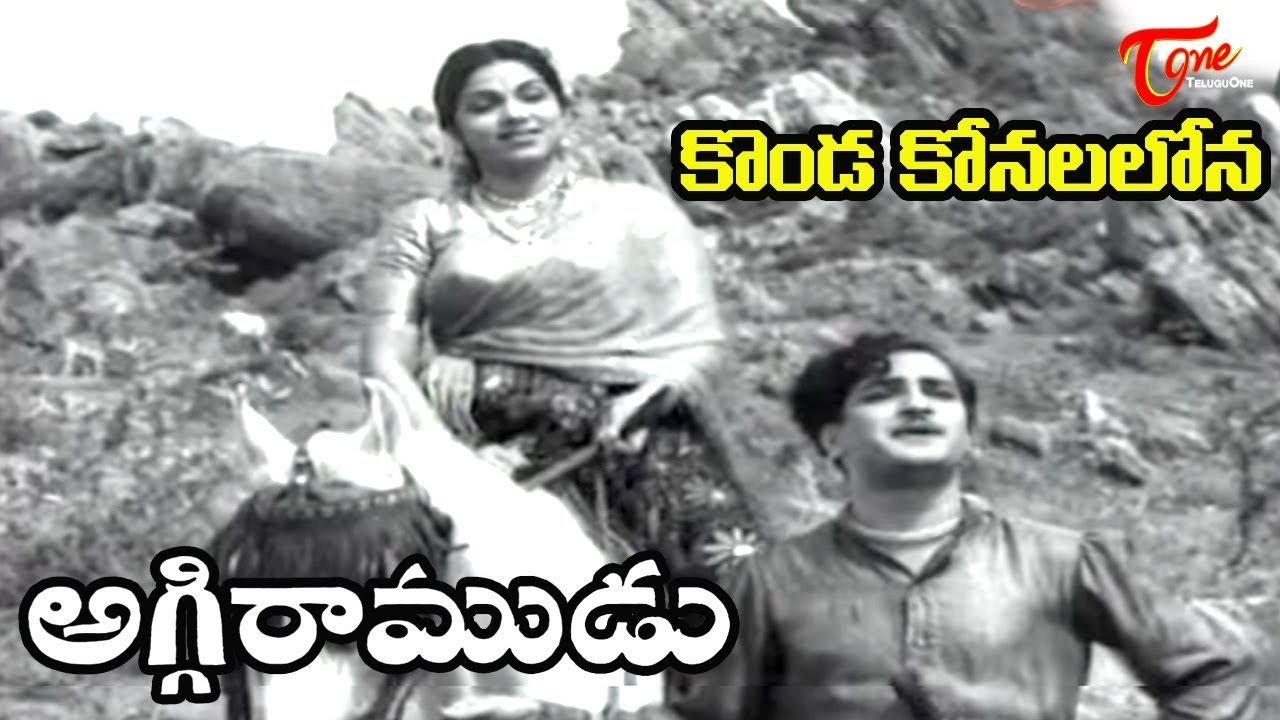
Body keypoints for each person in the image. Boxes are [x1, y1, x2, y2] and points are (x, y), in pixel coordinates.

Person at [669, 331, 1265, 720]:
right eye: (883, 394)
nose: (918, 404)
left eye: (939, 393)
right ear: (832, 439)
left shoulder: (1064, 561)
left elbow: (1214, 672)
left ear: (967, 436)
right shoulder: (767, 582)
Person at [357, 38, 765, 580]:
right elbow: (384, 360)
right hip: (468, 436)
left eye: (532, 96)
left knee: (738, 580)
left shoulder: (637, 210)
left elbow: (702, 342)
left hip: (635, 433)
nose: (514, 114)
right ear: (454, 131)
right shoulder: (424, 223)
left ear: (563, 110)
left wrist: (646, 398)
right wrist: (445, 459)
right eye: (485, 105)